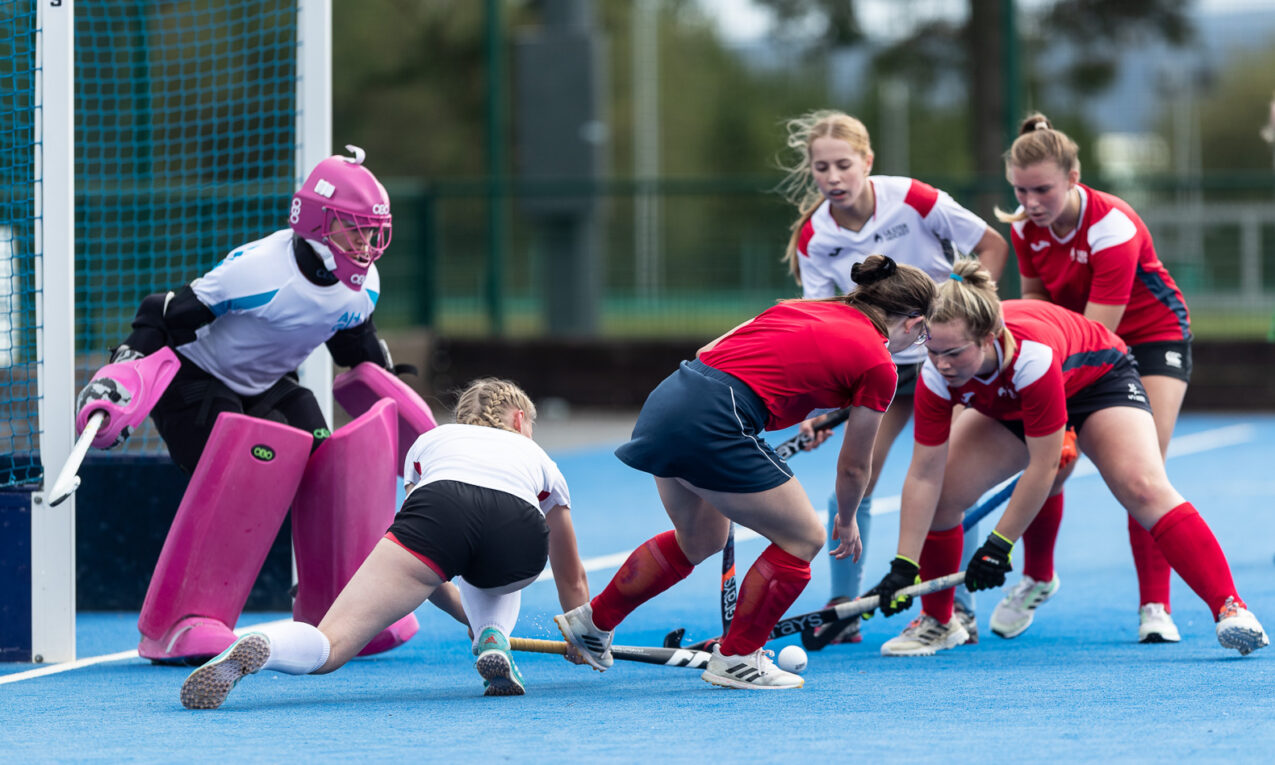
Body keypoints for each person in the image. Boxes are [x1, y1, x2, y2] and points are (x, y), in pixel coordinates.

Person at [75, 146, 438, 664]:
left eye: (371, 229)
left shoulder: (363, 288)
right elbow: (161, 316)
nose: (365, 242)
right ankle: (180, 621)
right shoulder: (257, 273)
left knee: (336, 469)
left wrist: (388, 380)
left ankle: (339, 611)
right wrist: (123, 373)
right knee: (245, 478)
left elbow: (354, 347)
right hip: (195, 382)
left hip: (267, 382)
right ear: (316, 222)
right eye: (353, 228)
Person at [555, 255, 937, 689]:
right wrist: (846, 521)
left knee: (701, 540)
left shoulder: (800, 307)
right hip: (718, 421)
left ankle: (593, 621)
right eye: (923, 332)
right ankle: (737, 657)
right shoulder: (879, 365)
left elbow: (712, 354)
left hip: (669, 401)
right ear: (912, 322)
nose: (920, 341)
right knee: (805, 537)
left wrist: (789, 408)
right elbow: (853, 468)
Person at [864, 259, 1267, 658]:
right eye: (932, 352)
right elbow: (923, 476)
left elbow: (1044, 464)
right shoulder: (938, 373)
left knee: (1143, 487)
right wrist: (905, 563)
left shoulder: (1030, 356)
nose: (941, 364)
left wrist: (997, 545)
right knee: (946, 496)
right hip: (1013, 403)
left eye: (953, 352)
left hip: (1096, 383)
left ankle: (1230, 606)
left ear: (990, 337)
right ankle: (939, 621)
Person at [179, 378, 591, 708]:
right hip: (514, 536)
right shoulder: (539, 459)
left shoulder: (430, 443)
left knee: (330, 644)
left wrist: (460, 609)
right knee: (493, 571)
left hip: (436, 513)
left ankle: (267, 646)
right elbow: (570, 575)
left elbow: (430, 558)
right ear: (521, 420)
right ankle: (492, 637)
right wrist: (586, 638)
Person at [776, 109, 1010, 649]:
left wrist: (970, 321)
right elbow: (824, 325)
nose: (833, 178)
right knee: (851, 481)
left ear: (867, 161)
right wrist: (817, 405)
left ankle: (960, 611)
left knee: (952, 481)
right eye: (821, 168)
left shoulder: (914, 198)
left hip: (945, 362)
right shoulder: (816, 238)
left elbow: (993, 246)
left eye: (843, 165)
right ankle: (846, 608)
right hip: (880, 367)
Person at [994, 113, 1193, 643]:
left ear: (1073, 179)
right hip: (1068, 339)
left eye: (1043, 190)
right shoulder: (1022, 225)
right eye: (1020, 190)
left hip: (1149, 339)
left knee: (1142, 475)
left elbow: (1101, 337)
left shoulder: (1112, 227)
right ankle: (1037, 578)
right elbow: (1035, 300)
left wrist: (1066, 423)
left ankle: (1156, 606)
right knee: (1050, 465)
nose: (1031, 203)